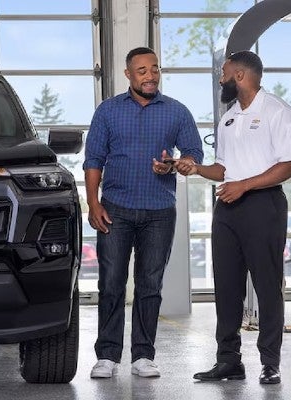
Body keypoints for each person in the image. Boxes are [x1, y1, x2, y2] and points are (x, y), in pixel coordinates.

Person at [175, 50, 291, 385]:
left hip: (264, 205)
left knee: (267, 285)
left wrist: (244, 186)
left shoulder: (277, 111)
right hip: (228, 209)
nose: (221, 78)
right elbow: (223, 169)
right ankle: (229, 361)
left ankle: (270, 362)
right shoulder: (228, 118)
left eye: (225, 73)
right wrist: (196, 168)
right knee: (227, 287)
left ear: (241, 76)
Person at [84, 47, 203, 379]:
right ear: (128, 75)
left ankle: (143, 356)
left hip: (160, 212)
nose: (150, 76)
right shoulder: (107, 112)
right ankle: (107, 355)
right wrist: (93, 204)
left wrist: (176, 165)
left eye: (155, 69)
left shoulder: (177, 112)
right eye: (142, 71)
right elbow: (93, 159)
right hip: (115, 211)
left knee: (150, 285)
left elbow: (194, 152)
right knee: (111, 283)